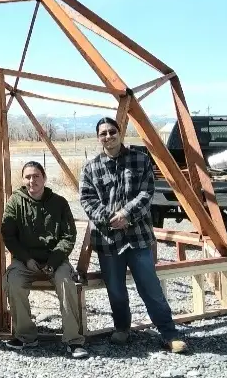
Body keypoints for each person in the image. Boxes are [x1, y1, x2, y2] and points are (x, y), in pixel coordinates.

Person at [79, 117, 188, 353]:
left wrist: (127, 214)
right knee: (115, 289)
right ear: (98, 138)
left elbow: (147, 192)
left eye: (112, 132)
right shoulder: (91, 167)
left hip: (137, 237)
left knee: (150, 287)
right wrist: (111, 218)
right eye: (103, 134)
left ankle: (169, 333)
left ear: (120, 133)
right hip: (108, 240)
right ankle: (122, 327)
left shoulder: (140, 160)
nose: (108, 137)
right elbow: (87, 200)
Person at [1, 161, 89, 358]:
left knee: (66, 282)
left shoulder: (59, 202)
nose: (32, 180)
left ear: (44, 178)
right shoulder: (15, 202)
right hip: (26, 261)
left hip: (55, 260)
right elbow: (8, 235)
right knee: (12, 281)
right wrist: (25, 258)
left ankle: (73, 340)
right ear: (23, 180)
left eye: (36, 176)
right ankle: (25, 336)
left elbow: (68, 236)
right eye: (28, 177)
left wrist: (54, 261)